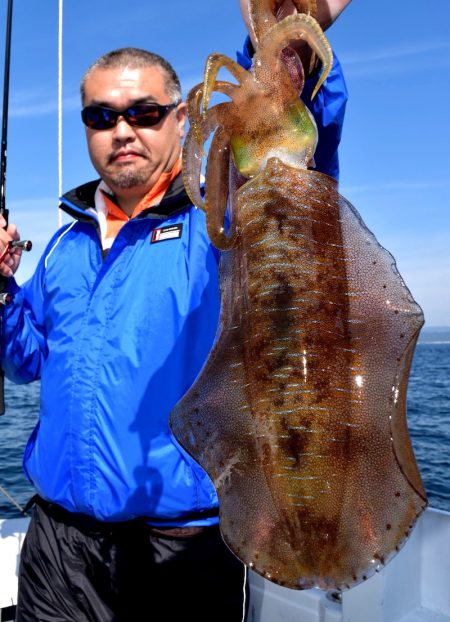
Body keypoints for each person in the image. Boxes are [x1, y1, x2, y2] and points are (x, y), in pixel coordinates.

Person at [0, 1, 350, 620]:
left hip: (180, 550)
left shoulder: (221, 219)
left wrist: (285, 31)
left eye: (144, 113)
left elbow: (277, 134)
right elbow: (25, 358)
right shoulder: (65, 243)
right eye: (101, 115)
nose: (123, 130)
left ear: (181, 118)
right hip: (58, 546)